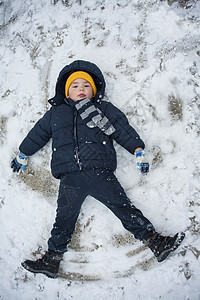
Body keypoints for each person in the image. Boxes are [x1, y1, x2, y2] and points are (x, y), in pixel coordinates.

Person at [11, 60, 185, 279]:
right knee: (63, 219)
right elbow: (37, 134)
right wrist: (23, 152)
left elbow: (122, 129)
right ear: (66, 91)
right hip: (70, 178)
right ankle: (51, 260)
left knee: (125, 209)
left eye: (86, 86)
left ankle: (156, 242)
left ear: (94, 91)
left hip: (100, 173)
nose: (81, 89)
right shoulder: (56, 114)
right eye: (75, 86)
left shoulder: (103, 109)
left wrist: (137, 149)